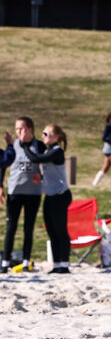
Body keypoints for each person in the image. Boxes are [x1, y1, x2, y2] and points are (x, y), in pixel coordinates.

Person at [21, 124, 72, 274]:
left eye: (46, 134)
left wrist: (24, 145)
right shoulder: (49, 150)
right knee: (51, 230)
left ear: (56, 137)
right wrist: (41, 177)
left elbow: (36, 158)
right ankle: (56, 264)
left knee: (60, 230)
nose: (43, 136)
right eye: (43, 133)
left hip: (60, 195)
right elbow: (52, 171)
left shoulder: (57, 151)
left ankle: (64, 264)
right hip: (50, 195)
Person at [1, 117, 45, 273]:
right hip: (15, 192)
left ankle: (26, 262)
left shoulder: (39, 145)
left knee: (28, 228)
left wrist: (41, 177)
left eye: (22, 128)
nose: (19, 131)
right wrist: (0, 186)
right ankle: (5, 263)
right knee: (10, 228)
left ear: (31, 129)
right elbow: (3, 166)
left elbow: (49, 167)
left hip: (33, 193)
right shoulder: (13, 147)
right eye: (17, 129)